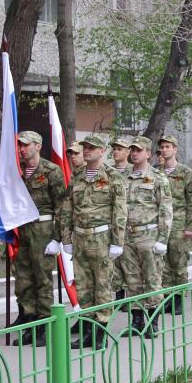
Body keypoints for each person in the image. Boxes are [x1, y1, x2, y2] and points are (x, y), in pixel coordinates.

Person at [61, 135, 127, 349]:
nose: (87, 151)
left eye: (92, 148)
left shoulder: (112, 176)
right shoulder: (77, 176)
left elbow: (119, 210)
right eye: (85, 148)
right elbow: (68, 208)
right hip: (80, 238)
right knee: (83, 287)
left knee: (102, 287)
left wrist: (118, 241)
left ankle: (100, 333)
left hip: (102, 238)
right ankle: (87, 330)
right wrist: (66, 238)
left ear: (102, 151)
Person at [11, 131, 67, 346]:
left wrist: (57, 238)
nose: (21, 149)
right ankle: (29, 322)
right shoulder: (18, 170)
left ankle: (45, 326)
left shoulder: (51, 171)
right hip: (22, 228)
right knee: (24, 279)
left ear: (37, 145)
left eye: (25, 145)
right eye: (19, 145)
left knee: (42, 279)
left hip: (42, 228)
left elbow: (61, 207)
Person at [120, 136, 172, 338]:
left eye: (139, 150)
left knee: (152, 279)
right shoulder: (123, 177)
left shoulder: (158, 178)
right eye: (132, 150)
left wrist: (162, 239)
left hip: (149, 235)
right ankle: (137, 321)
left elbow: (166, 209)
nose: (134, 153)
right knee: (132, 281)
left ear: (148, 154)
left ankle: (153, 321)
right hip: (128, 235)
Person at [157, 136, 192, 315]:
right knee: (163, 263)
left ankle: (179, 298)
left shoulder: (185, 172)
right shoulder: (156, 171)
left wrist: (190, 225)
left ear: (175, 149)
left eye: (167, 147)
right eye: (162, 147)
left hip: (179, 223)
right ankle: (167, 297)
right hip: (160, 224)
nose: (164, 150)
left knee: (179, 262)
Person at [110, 137, 131, 299]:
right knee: (115, 263)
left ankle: (132, 296)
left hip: (130, 225)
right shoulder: (108, 172)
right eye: (114, 149)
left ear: (128, 152)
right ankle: (118, 296)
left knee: (129, 262)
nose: (116, 151)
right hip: (112, 224)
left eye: (120, 149)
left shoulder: (134, 171)